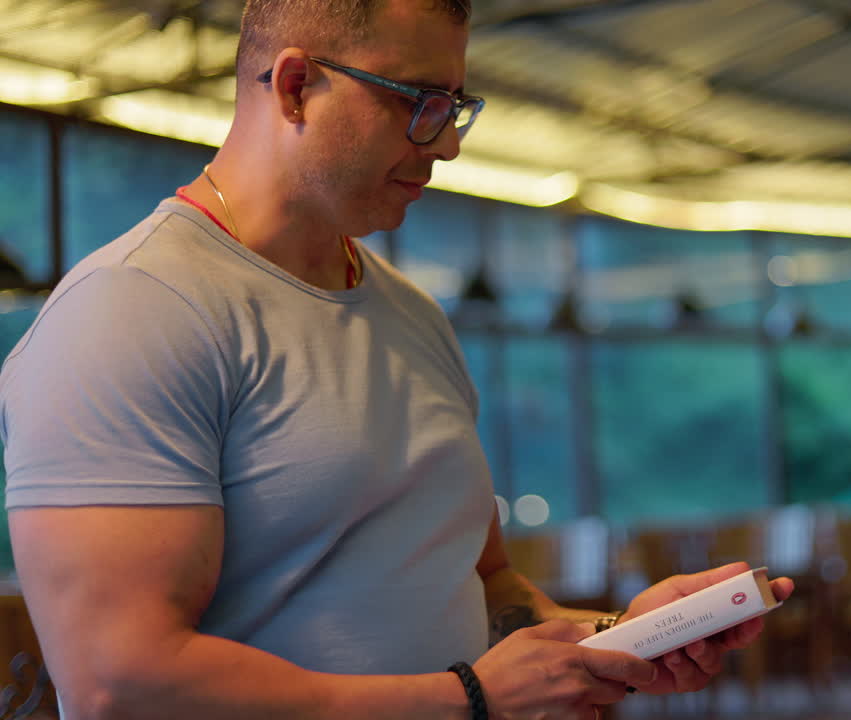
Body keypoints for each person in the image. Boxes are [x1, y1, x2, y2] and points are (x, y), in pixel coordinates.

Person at [0, 0, 793, 718]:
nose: (445, 143)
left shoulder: (410, 313)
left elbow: (485, 584)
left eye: (454, 108)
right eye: (418, 103)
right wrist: (469, 698)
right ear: (296, 85)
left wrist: (623, 637)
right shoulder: (136, 307)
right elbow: (120, 681)